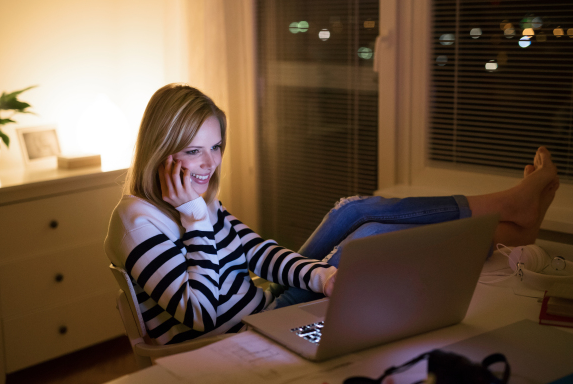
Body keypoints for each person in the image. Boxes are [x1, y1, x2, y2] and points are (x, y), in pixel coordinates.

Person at [104, 84, 559, 345]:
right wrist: (196, 223)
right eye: (193, 150)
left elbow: (256, 252)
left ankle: (509, 212)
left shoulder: (192, 201)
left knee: (352, 209)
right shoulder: (139, 223)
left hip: (261, 302)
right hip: (238, 330)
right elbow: (201, 314)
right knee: (370, 234)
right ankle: (510, 221)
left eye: (216, 147)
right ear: (161, 151)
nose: (209, 163)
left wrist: (320, 277)